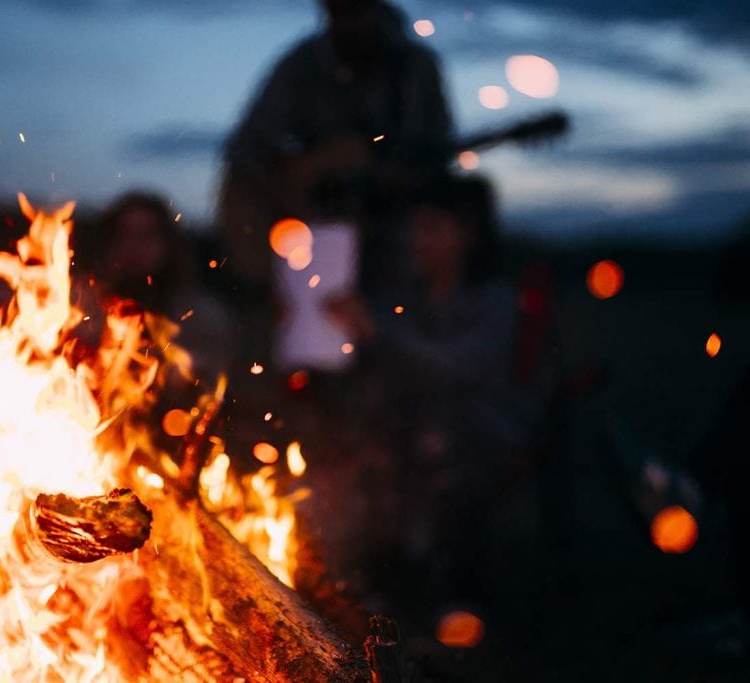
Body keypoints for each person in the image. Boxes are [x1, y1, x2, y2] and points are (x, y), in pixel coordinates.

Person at [326, 173, 559, 619]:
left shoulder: (494, 301)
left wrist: (377, 335)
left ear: (468, 234)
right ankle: (384, 584)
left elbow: (453, 367)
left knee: (433, 445)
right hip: (418, 427)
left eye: (434, 226)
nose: (420, 238)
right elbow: (382, 370)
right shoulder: (405, 298)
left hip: (482, 430)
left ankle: (455, 597)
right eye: (416, 226)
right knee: (364, 449)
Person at [218, 0, 453, 308]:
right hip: (313, 230)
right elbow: (246, 151)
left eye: (355, 10)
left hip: (393, 223)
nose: (348, 21)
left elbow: (436, 156)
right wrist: (300, 196)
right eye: (338, 10)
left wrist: (385, 174)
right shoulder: (301, 65)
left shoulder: (414, 68)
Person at [86, 191, 235, 387]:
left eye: (146, 235)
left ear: (169, 244)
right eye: (124, 235)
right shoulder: (82, 314)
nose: (134, 247)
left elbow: (212, 385)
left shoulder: (202, 318)